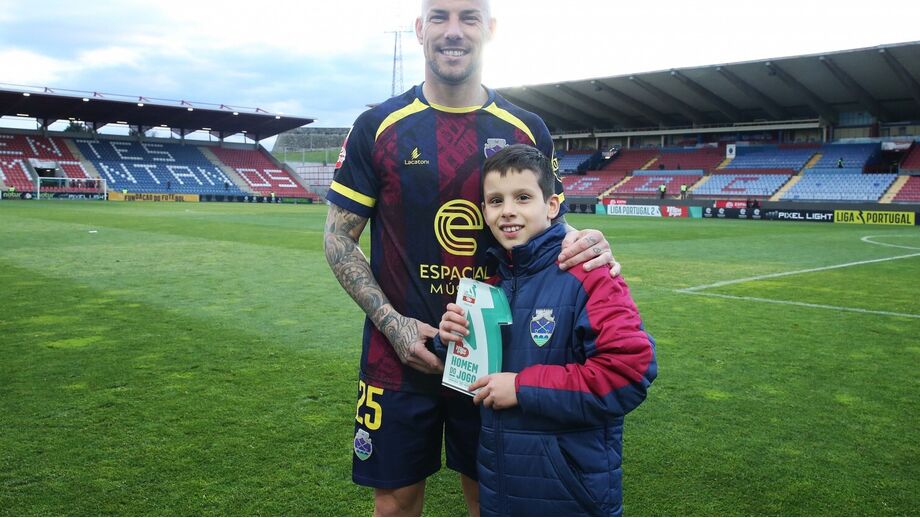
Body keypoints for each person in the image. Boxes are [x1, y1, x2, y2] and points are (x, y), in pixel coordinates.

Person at [322, 1, 620, 515]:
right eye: (439, 16)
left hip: (497, 354)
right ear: (420, 29)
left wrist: (591, 241)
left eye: (469, 17)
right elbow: (337, 239)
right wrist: (394, 324)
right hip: (396, 355)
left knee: (490, 496)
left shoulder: (527, 129)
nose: (453, 31)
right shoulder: (378, 125)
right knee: (393, 501)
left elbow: (553, 228)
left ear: (491, 30)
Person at [437, 144, 657, 516]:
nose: (508, 210)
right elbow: (482, 371)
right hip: (502, 491)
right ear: (484, 212)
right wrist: (450, 341)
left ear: (552, 206)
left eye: (523, 197)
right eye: (495, 200)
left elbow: (629, 373)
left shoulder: (590, 273)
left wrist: (522, 388)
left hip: (569, 496)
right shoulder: (490, 286)